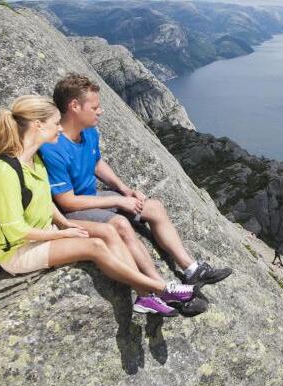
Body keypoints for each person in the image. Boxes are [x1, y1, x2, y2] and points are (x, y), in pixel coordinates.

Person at [0, 96, 191, 316]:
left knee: (109, 230)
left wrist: (64, 223)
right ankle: (159, 289)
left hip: (44, 231)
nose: (59, 129)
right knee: (95, 247)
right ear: (37, 125)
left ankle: (145, 298)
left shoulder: (34, 160)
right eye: (55, 123)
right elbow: (15, 231)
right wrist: (62, 235)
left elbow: (44, 200)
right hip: (18, 250)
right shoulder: (1, 171)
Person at [39, 74, 231, 290]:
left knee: (155, 208)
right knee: (121, 224)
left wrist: (125, 190)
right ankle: (161, 288)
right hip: (73, 211)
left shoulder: (88, 132)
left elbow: (96, 164)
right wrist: (120, 203)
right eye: (94, 107)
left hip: (92, 198)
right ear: (74, 106)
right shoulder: (52, 146)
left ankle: (192, 270)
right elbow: (67, 203)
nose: (100, 111)